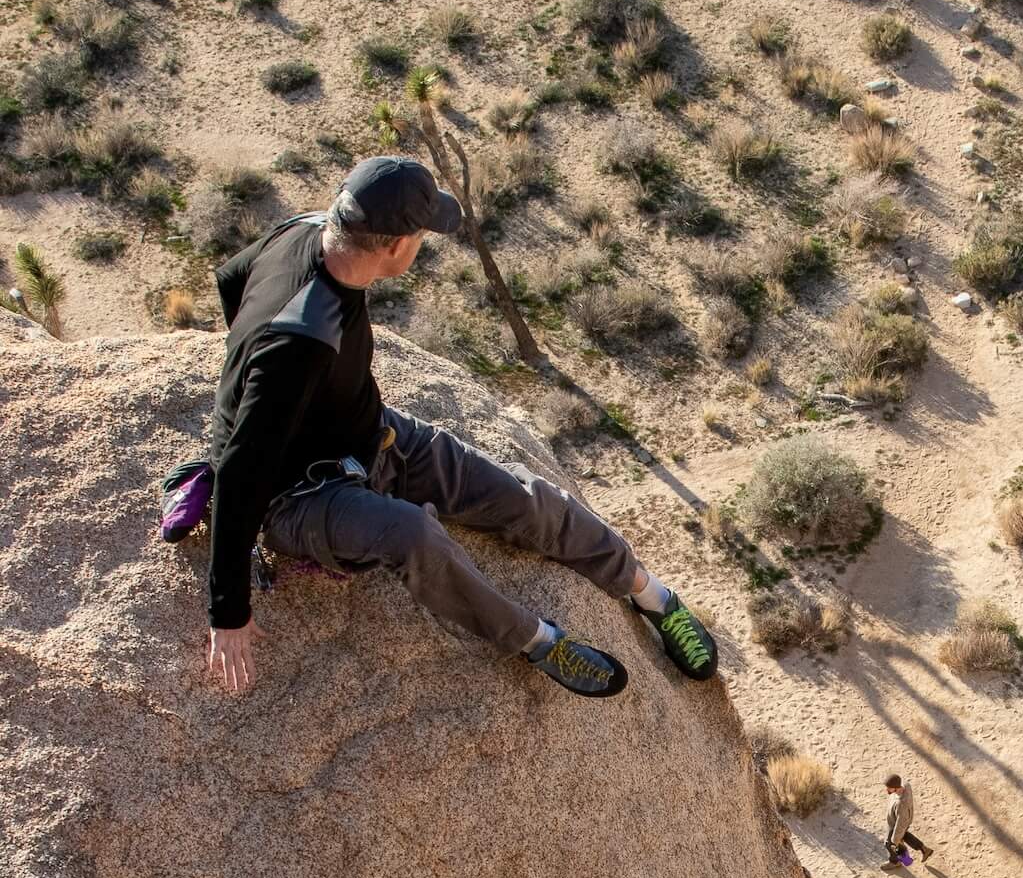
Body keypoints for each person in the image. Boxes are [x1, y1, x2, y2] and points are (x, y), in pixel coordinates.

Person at [201, 156, 717, 698]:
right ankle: (538, 640)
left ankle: (650, 593)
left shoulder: (308, 225)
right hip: (301, 495)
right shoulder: (299, 339)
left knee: (523, 496)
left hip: (374, 437)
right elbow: (241, 469)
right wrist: (228, 607)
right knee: (415, 536)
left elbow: (231, 277)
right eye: (423, 234)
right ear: (397, 246)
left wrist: (249, 360)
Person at [881, 772, 931, 870]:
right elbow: (903, 782)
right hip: (904, 819)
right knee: (904, 835)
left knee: (889, 843)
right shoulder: (906, 786)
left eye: (889, 788)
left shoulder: (901, 804)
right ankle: (925, 849)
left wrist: (895, 839)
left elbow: (900, 823)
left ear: (896, 787)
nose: (887, 790)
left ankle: (896, 862)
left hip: (897, 823)